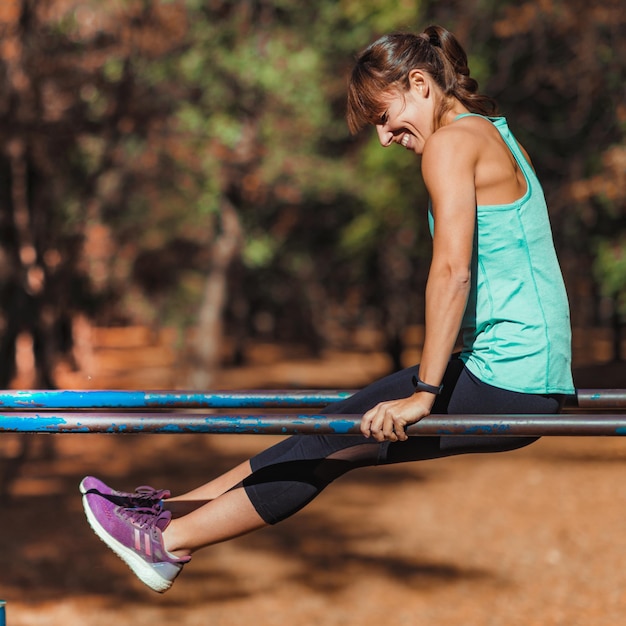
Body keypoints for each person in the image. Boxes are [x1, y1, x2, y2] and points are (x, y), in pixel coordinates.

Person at [80, 24, 575, 594]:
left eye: (384, 117)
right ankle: (174, 516)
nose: (386, 137)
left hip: (511, 373)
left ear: (419, 83)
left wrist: (424, 394)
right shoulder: (497, 134)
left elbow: (451, 273)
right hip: (525, 366)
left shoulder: (450, 144)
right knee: (328, 428)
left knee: (330, 443)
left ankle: (168, 544)